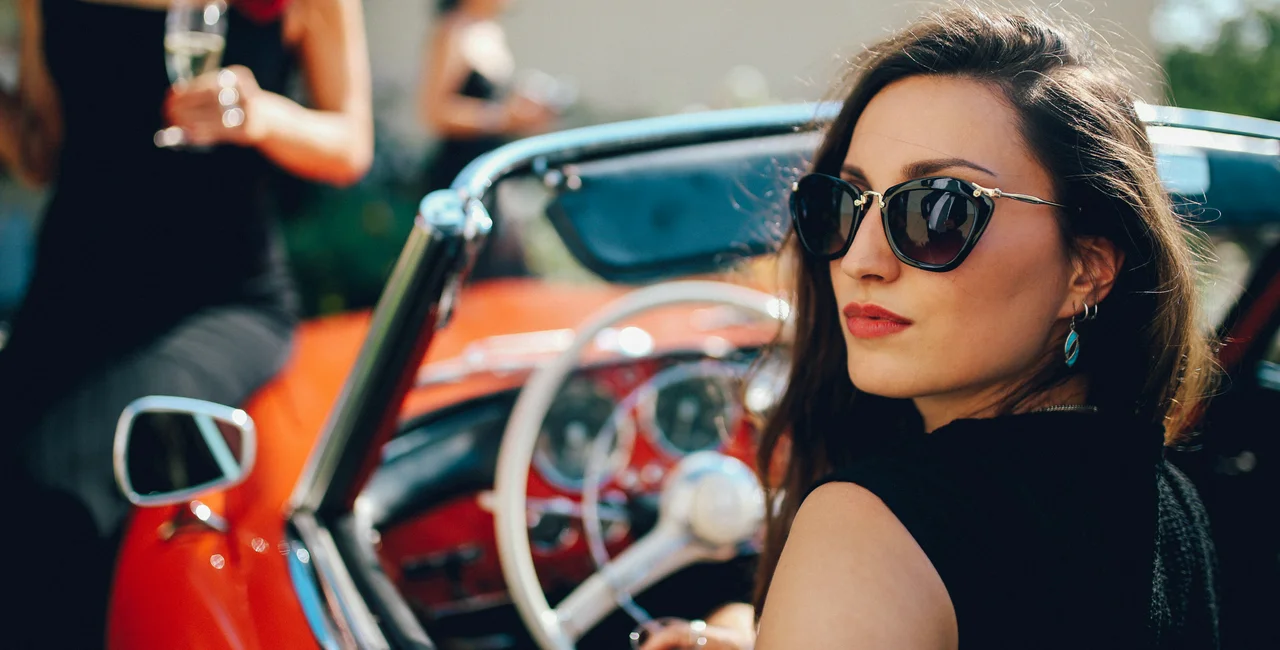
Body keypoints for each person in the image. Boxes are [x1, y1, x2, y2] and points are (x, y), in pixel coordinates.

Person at [642, 5, 1219, 650]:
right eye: (842, 205)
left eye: (937, 211)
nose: (860, 261)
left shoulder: (869, 525)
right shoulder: (1168, 506)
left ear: (1086, 268)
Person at [0, 0, 371, 645]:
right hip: (70, 298)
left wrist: (263, 117)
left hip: (217, 304)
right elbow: (40, 154)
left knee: (58, 492)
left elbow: (350, 146)